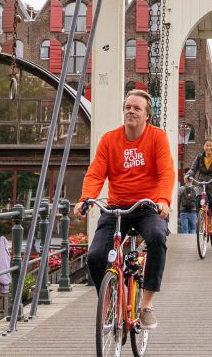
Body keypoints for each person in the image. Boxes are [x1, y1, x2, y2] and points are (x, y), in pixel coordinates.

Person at [74, 89, 175, 330]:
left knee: (157, 239)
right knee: (96, 256)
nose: (131, 111)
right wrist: (86, 198)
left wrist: (163, 200)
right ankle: (110, 303)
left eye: (136, 108)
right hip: (117, 206)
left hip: (148, 206)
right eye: (128, 107)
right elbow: (96, 172)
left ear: (147, 115)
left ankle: (146, 305)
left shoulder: (157, 137)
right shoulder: (110, 139)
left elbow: (166, 172)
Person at [184, 139, 212, 245]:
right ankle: (202, 221)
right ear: (204, 147)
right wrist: (188, 175)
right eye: (206, 146)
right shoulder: (199, 157)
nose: (208, 148)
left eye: (210, 146)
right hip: (202, 183)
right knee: (199, 203)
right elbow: (193, 169)